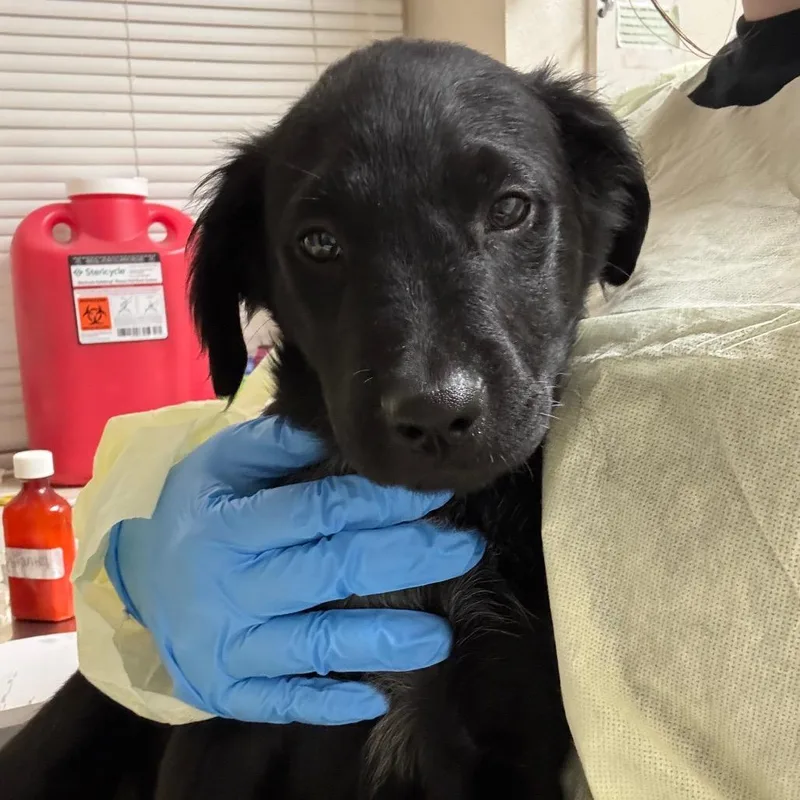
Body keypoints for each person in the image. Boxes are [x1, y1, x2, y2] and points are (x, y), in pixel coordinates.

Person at [72, 2, 800, 797]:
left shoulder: (571, 144)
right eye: (321, 242)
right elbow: (241, 420)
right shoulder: (637, 118)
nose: (433, 387)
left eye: (509, 211)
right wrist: (132, 553)